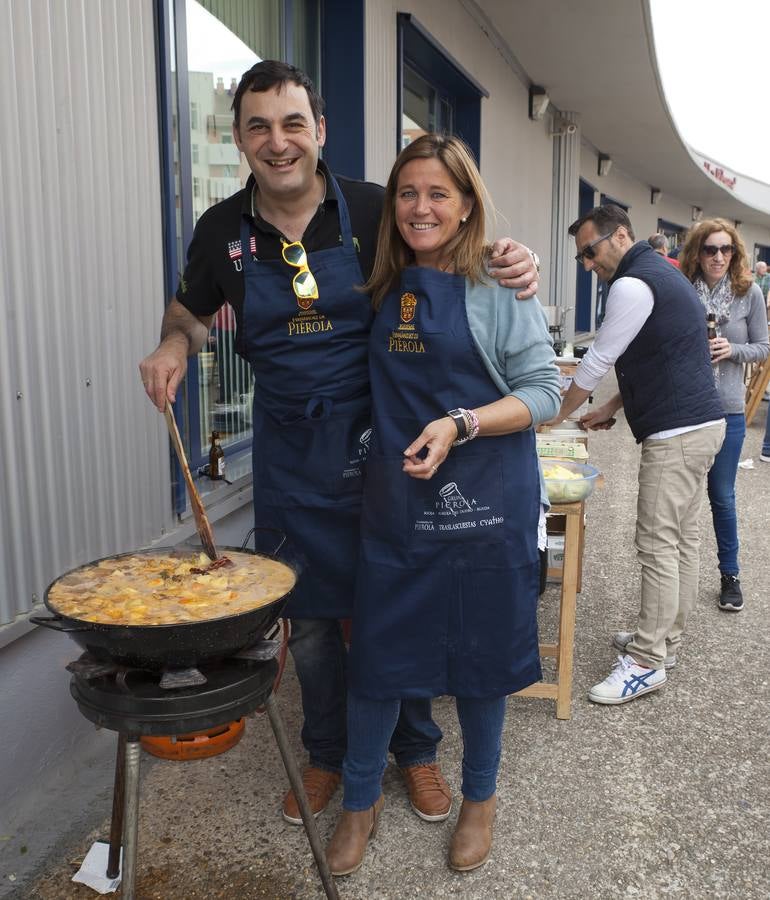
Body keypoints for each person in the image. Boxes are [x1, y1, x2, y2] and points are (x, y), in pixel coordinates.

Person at [139, 61, 541, 826]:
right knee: (316, 624)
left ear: (319, 132)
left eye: (293, 124)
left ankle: (416, 751)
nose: (277, 141)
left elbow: (452, 242)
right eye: (258, 126)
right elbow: (190, 314)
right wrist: (173, 349)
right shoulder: (222, 231)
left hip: (391, 443)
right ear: (239, 140)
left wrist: (512, 258)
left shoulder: (374, 207)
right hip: (292, 455)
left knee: (404, 605)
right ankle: (326, 754)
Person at [324, 134, 560, 876]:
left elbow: (546, 393)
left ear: (465, 208)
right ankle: (359, 804)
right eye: (407, 193)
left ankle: (480, 801)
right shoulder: (381, 282)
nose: (420, 207)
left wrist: (462, 422)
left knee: (482, 666)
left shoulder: (498, 288)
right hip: (398, 510)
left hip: (486, 512)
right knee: (380, 665)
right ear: (392, 206)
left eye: (438, 194)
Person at [548, 204, 725, 705]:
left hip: (678, 434)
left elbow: (599, 358)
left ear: (620, 236)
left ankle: (646, 661)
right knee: (681, 541)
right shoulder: (660, 275)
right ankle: (665, 639)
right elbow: (659, 353)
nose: (586, 263)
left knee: (656, 544)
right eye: (581, 255)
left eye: (590, 250)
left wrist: (552, 415)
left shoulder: (630, 284)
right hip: (701, 426)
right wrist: (609, 407)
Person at [679, 220, 769, 611]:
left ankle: (730, 575)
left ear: (735, 254)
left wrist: (732, 349)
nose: (718, 257)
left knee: (722, 496)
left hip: (728, 410)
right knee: (679, 499)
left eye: (726, 249)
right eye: (710, 249)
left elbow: (763, 347)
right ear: (697, 252)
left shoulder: (748, 294)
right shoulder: (681, 290)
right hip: (684, 408)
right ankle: (677, 581)